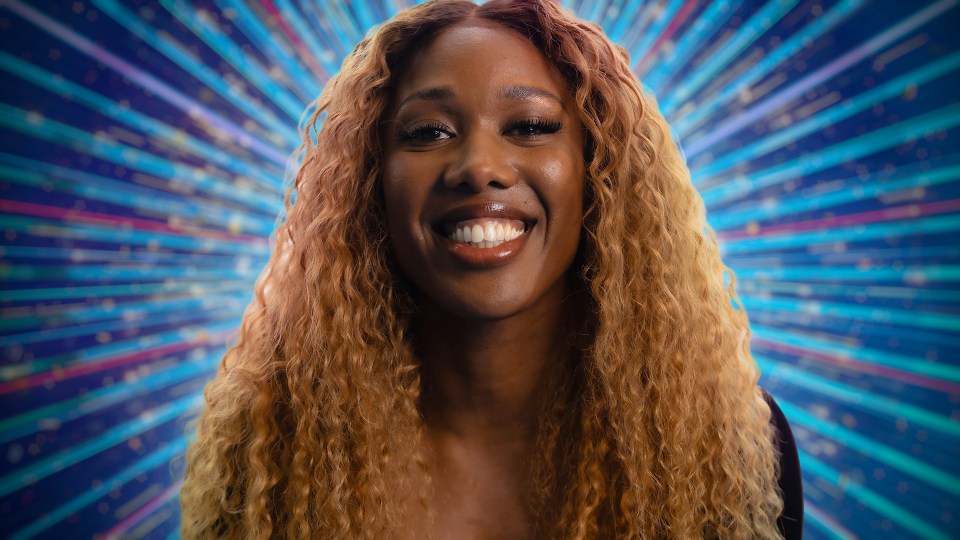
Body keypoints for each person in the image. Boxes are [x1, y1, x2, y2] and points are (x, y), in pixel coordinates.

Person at [179, 0, 803, 538]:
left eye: (529, 126)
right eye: (428, 132)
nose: (479, 166)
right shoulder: (270, 452)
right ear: (371, 184)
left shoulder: (730, 446)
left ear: (599, 173)